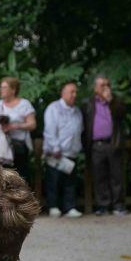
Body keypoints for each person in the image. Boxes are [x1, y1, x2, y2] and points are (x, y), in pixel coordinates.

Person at [82, 75, 128, 215]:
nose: (105, 88)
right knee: (99, 176)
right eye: (102, 85)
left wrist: (111, 101)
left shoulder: (115, 102)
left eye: (107, 85)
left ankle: (118, 205)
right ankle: (103, 205)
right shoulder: (88, 103)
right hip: (96, 145)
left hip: (113, 143)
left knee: (117, 176)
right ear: (95, 88)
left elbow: (122, 115)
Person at [42, 81, 84, 218]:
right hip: (56, 153)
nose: (74, 95)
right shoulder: (53, 108)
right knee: (53, 180)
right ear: (63, 93)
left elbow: (80, 130)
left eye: (75, 92)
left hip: (71, 152)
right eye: (71, 92)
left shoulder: (77, 111)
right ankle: (53, 206)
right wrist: (55, 147)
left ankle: (70, 207)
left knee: (70, 182)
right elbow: (50, 130)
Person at [0, 76, 37, 183]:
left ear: (13, 90)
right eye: (0, 87)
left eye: (4, 87)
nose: (1, 90)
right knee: (3, 177)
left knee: (21, 176)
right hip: (1, 147)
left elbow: (32, 124)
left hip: (19, 146)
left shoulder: (24, 104)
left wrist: (14, 126)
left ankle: (22, 199)